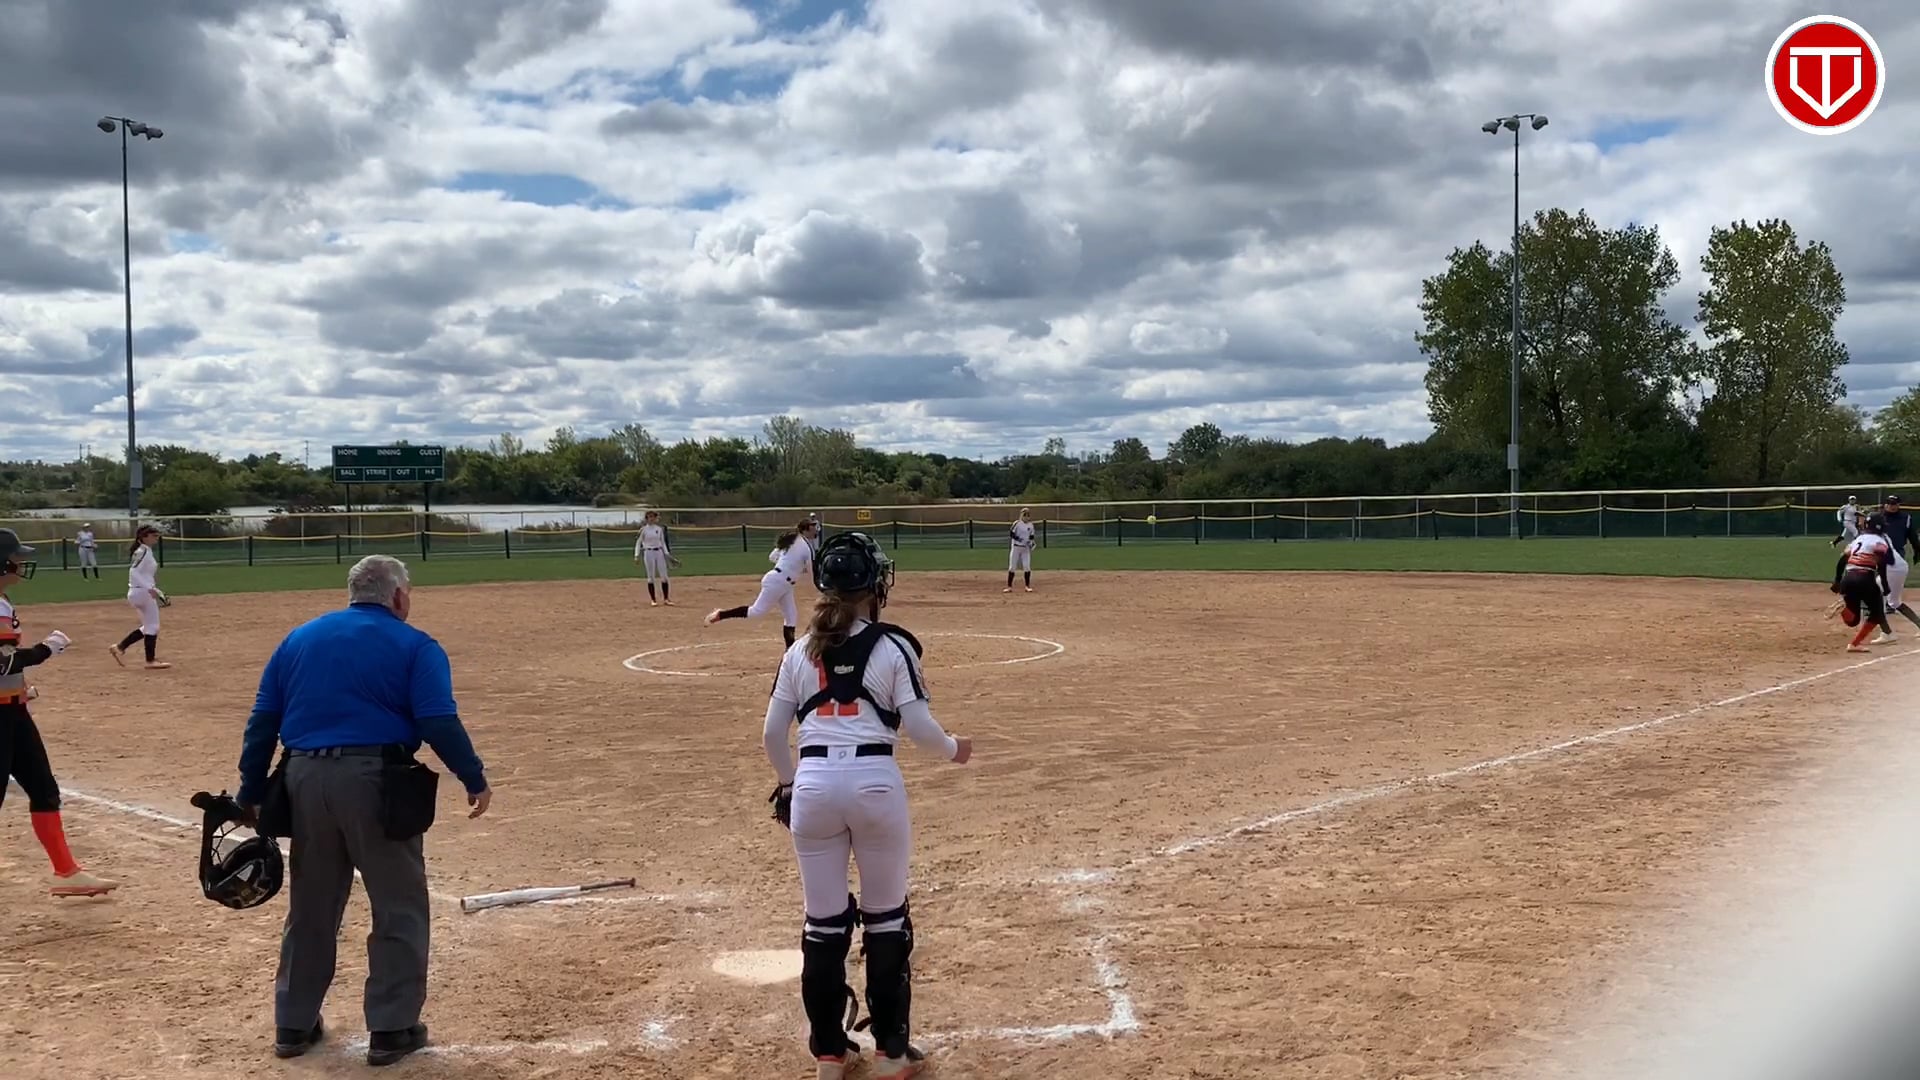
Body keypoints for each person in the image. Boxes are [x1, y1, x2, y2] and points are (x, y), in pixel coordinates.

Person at [233, 554, 492, 1066]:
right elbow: (437, 720)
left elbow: (263, 719)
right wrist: (473, 776)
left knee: (312, 904)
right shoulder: (415, 644)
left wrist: (250, 789)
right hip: (376, 781)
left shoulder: (299, 639)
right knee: (398, 904)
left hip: (303, 779)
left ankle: (293, 1022)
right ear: (397, 596)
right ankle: (392, 1028)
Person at [762, 531, 972, 1079]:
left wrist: (789, 784)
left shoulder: (798, 651)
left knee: (823, 923)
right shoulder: (892, 646)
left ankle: (830, 1054)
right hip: (875, 783)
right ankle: (891, 1053)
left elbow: (771, 735)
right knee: (886, 918)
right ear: (873, 586)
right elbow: (921, 729)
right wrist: (955, 749)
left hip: (813, 787)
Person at [0, 529, 117, 898]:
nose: (20, 563)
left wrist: (20, 690)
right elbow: (3, 662)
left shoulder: (2, 601)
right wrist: (46, 649)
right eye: (15, 557)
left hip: (13, 712)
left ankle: (66, 873)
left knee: (43, 788)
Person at [708, 517, 820, 648]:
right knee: (756, 612)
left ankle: (789, 651)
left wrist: (789, 563)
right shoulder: (806, 547)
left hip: (783, 582)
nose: (815, 530)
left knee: (791, 616)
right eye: (813, 527)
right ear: (807, 529)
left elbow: (772, 557)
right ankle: (721, 614)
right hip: (779, 582)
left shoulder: (791, 539)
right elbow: (811, 572)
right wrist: (818, 586)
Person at [1832, 515, 1896, 652]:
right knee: (1877, 613)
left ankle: (1844, 608)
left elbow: (1842, 559)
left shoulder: (1858, 539)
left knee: (1853, 621)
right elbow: (1882, 564)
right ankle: (1854, 644)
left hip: (1848, 578)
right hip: (1865, 578)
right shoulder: (1880, 541)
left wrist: (1837, 580)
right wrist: (1885, 585)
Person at [109, 524, 168, 669]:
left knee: (148, 626)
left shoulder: (144, 550)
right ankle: (150, 661)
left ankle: (120, 647)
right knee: (153, 626)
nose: (156, 538)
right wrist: (150, 589)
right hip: (142, 592)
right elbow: (134, 572)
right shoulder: (143, 551)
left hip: (138, 592)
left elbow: (144, 574)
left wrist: (156, 590)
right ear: (144, 537)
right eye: (153, 536)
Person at [633, 510, 675, 607]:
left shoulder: (659, 529)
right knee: (651, 576)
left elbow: (663, 543)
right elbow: (638, 543)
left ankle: (666, 599)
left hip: (659, 552)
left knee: (664, 576)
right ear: (646, 519)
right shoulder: (643, 530)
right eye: (649, 517)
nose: (651, 518)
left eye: (653, 517)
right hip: (648, 552)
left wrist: (667, 554)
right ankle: (653, 599)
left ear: (656, 518)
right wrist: (636, 555)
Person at [1005, 507, 1036, 593]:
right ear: (1021, 515)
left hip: (1025, 549)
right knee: (1012, 567)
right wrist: (1019, 539)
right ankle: (1009, 587)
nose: (1026, 517)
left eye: (1027, 515)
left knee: (1027, 566)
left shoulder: (1031, 525)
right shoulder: (1017, 523)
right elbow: (1011, 533)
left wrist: (1031, 543)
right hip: (1016, 547)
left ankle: (1027, 586)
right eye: (1024, 515)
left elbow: (1031, 536)